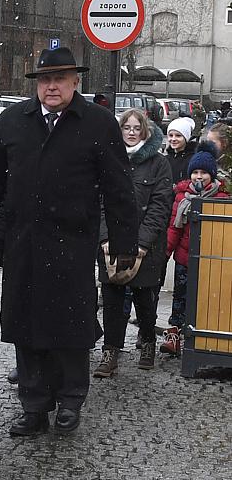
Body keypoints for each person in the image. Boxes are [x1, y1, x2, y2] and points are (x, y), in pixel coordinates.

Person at [0, 47, 138, 436]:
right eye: (45, 79)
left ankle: (70, 399)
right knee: (25, 326)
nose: (52, 86)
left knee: (70, 327)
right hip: (23, 241)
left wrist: (125, 242)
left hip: (73, 244)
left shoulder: (98, 123)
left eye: (60, 79)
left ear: (76, 81)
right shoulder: (13, 121)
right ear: (37, 84)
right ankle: (33, 404)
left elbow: (119, 188)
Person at [93, 109, 173, 377]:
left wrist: (142, 243)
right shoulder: (111, 159)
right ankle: (110, 351)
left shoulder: (158, 164)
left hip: (145, 244)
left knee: (144, 299)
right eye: (126, 127)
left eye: (136, 128)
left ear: (145, 131)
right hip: (113, 242)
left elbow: (161, 207)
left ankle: (147, 341)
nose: (130, 132)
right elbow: (101, 202)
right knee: (112, 298)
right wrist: (105, 237)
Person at [163, 141, 229, 355]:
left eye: (204, 173)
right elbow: (174, 227)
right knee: (180, 297)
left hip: (210, 259)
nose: (199, 177)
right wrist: (166, 252)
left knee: (205, 297)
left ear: (212, 175)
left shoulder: (220, 198)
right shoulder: (182, 197)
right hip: (185, 258)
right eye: (195, 172)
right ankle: (174, 334)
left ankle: (201, 338)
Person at [164, 117, 197, 185]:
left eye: (178, 136)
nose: (173, 139)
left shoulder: (193, 159)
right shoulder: (165, 159)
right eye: (171, 135)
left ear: (186, 138)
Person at [206, 122, 232, 186]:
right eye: (207, 141)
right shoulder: (208, 157)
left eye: (212, 143)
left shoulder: (228, 163)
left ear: (224, 143)